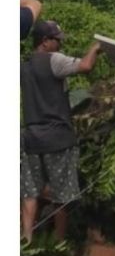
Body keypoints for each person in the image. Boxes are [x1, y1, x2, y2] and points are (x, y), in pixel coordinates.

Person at [21, 20, 101, 242]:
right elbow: (86, 66)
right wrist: (95, 48)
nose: (60, 45)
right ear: (45, 42)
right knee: (61, 196)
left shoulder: (24, 65)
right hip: (57, 138)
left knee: (29, 192)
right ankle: (59, 244)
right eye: (57, 40)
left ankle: (26, 240)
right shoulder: (54, 61)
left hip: (30, 138)